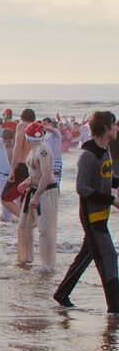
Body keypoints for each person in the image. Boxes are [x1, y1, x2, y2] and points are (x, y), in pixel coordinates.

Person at [54, 111, 119, 312]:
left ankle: (62, 293)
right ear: (106, 128)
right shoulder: (87, 154)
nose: (117, 129)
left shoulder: (105, 149)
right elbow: (81, 188)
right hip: (91, 216)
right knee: (108, 255)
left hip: (102, 214)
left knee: (88, 253)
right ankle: (115, 308)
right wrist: (112, 200)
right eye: (114, 125)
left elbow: (108, 178)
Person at [15, 122, 58, 272]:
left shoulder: (43, 151)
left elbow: (46, 176)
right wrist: (26, 182)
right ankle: (25, 257)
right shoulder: (33, 150)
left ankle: (47, 266)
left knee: (45, 230)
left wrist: (37, 197)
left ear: (27, 137)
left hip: (46, 192)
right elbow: (34, 173)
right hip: (32, 190)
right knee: (23, 226)